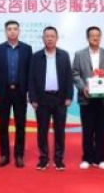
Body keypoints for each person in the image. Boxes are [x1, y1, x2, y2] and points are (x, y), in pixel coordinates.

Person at [72, 26, 104, 170]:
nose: (95, 38)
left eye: (98, 35)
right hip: (86, 98)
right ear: (87, 38)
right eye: (92, 35)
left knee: (101, 129)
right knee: (87, 129)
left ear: (101, 37)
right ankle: (87, 158)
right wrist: (82, 87)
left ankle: (100, 159)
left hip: (103, 98)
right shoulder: (79, 54)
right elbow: (75, 74)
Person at [29, 26, 73, 171]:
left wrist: (69, 96)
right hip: (42, 99)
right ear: (43, 38)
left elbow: (69, 77)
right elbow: (31, 79)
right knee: (42, 131)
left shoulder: (64, 55)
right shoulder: (36, 56)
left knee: (60, 131)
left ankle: (58, 159)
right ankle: (43, 159)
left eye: (52, 36)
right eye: (47, 36)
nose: (49, 39)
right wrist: (33, 98)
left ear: (57, 38)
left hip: (60, 98)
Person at [0, 20, 33, 168]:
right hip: (4, 92)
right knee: (3, 125)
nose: (12, 31)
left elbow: (30, 72)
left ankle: (19, 155)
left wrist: (29, 91)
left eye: (15, 29)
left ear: (19, 31)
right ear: (5, 32)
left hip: (21, 92)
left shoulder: (27, 49)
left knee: (20, 125)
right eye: (9, 29)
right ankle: (4, 155)